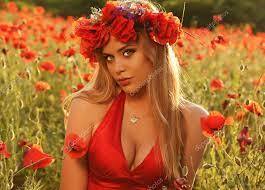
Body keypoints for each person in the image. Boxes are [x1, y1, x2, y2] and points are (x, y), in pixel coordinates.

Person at [60, 0, 209, 189]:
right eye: (109, 58)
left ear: (155, 50)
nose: (117, 68)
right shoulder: (86, 107)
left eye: (128, 52)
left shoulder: (192, 119)